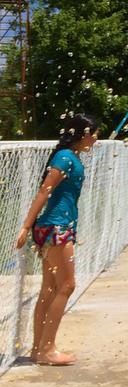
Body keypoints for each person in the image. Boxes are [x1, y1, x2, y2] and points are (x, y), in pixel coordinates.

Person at [14, 113, 100, 366]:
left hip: (57, 226)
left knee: (50, 288)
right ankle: (47, 349)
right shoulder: (65, 158)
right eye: (93, 134)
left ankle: (38, 348)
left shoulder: (70, 157)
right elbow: (45, 190)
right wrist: (26, 225)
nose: (95, 139)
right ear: (82, 134)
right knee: (67, 285)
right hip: (56, 227)